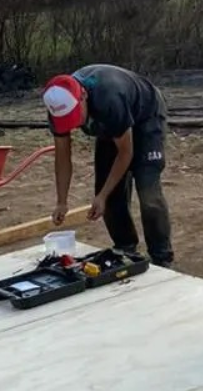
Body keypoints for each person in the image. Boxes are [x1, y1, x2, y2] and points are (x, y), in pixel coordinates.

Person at [42, 64, 175, 267]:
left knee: (148, 192)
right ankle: (125, 247)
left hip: (146, 116)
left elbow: (126, 152)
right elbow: (62, 156)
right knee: (109, 194)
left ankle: (161, 257)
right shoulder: (56, 105)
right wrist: (62, 201)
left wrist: (102, 196)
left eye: (75, 116)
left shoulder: (109, 97)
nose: (74, 124)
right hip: (110, 126)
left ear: (83, 96)